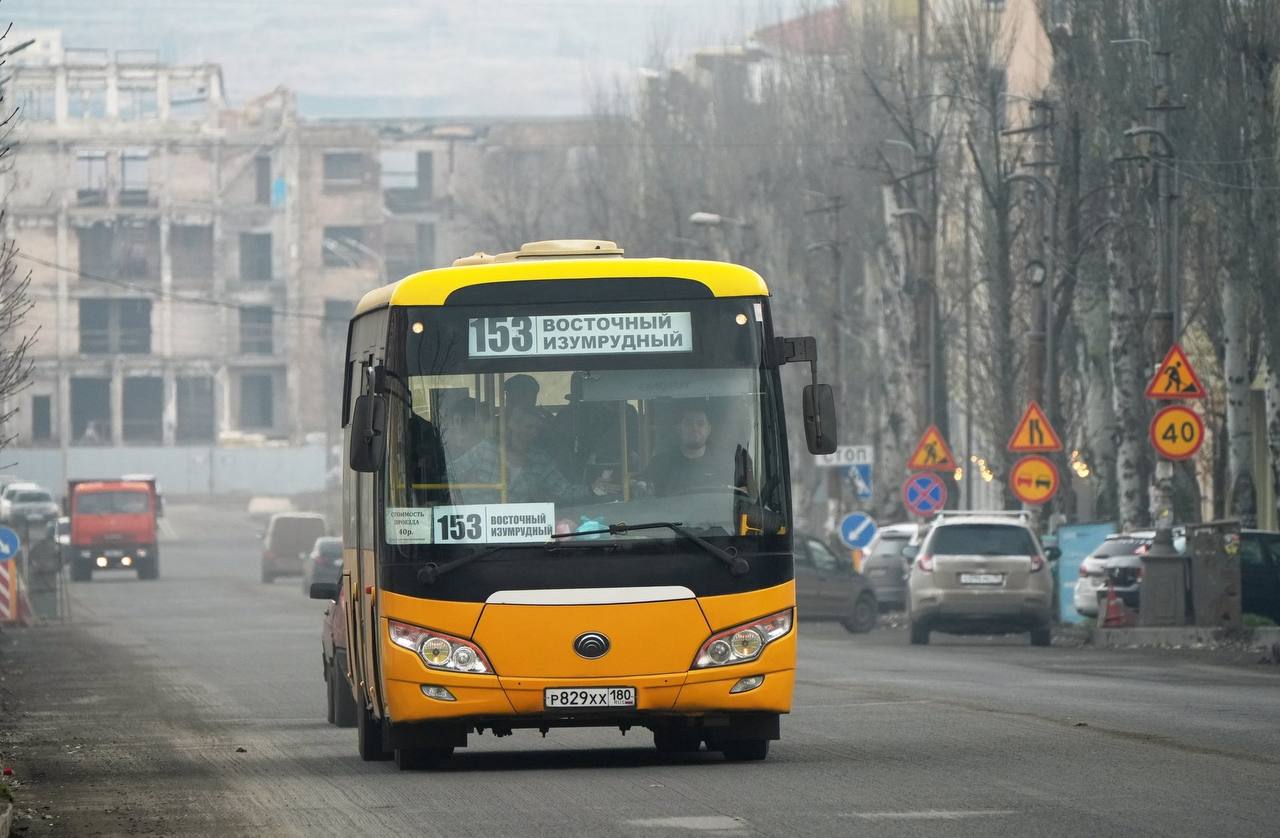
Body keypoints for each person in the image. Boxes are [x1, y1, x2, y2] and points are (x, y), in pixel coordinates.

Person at [450, 404, 615, 505]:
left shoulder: (539, 459)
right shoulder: (487, 448)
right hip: (476, 521)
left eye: (537, 428)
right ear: (512, 425)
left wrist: (593, 489)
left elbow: (563, 490)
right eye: (529, 427)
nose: (534, 433)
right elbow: (450, 473)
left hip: (517, 524)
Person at [643, 404, 727, 496]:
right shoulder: (659, 464)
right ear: (679, 429)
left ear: (709, 429)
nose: (695, 428)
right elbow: (644, 494)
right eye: (688, 423)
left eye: (700, 424)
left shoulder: (725, 464)